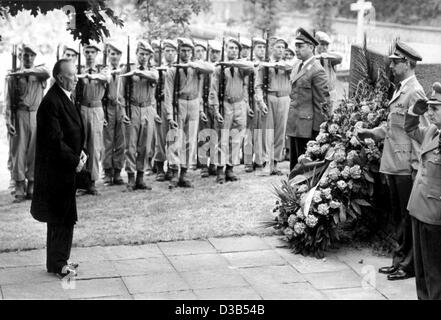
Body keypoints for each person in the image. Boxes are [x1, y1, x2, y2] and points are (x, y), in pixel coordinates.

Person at [358, 40, 427, 281]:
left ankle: (408, 266)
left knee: (406, 218)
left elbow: (421, 133)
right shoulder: (401, 90)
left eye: (395, 63)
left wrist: (416, 166)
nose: (391, 67)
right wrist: (369, 133)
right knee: (398, 216)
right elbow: (392, 128)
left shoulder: (415, 91)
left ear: (407, 64)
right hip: (393, 163)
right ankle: (399, 260)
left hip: (405, 166)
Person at [31, 59, 85, 278]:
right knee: (61, 218)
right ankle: (60, 264)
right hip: (56, 172)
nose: (77, 78)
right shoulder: (51, 102)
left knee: (62, 217)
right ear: (61, 77)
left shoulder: (64, 96)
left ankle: (57, 261)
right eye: (73, 74)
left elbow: (72, 131)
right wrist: (75, 160)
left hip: (64, 169)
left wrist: (80, 152)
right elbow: (55, 142)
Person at [405, 82, 441, 299]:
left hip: (435, 214)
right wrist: (413, 112)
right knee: (421, 272)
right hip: (418, 207)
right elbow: (410, 129)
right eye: (430, 107)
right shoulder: (432, 132)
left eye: (436, 108)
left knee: (435, 274)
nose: (431, 112)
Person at [164, 38, 214, 188]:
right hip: (179, 103)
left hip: (193, 103)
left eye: (188, 51)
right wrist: (169, 115)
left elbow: (210, 69)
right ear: (178, 52)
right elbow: (168, 94)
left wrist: (200, 109)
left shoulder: (196, 68)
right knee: (175, 138)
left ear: (192, 53)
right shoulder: (173, 70)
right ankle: (173, 171)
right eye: (183, 50)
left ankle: (183, 173)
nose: (185, 53)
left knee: (190, 139)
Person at [5, 44, 50, 202]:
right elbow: (8, 100)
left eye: (31, 56)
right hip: (21, 114)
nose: (29, 58)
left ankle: (32, 184)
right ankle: (19, 186)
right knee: (19, 151)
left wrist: (26, 71)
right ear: (20, 57)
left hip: (37, 114)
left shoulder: (39, 73)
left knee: (34, 151)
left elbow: (47, 72)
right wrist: (8, 120)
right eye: (25, 55)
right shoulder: (13, 76)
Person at [209, 38, 254, 183]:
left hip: (239, 104)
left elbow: (251, 70)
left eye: (236, 48)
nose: (233, 51)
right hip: (225, 105)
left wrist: (246, 105)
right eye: (231, 48)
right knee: (223, 138)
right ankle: (220, 170)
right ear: (226, 50)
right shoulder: (219, 69)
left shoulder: (242, 68)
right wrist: (215, 110)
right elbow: (213, 90)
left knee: (236, 138)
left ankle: (230, 168)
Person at [286, 28, 330, 171]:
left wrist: (319, 132)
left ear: (311, 47)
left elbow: (322, 103)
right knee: (294, 165)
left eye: (300, 46)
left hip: (307, 128)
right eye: (296, 46)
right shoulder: (297, 66)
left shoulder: (317, 70)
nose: (296, 49)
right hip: (295, 124)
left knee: (305, 169)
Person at [118, 40, 159, 191]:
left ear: (149, 56)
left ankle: (140, 178)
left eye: (146, 54)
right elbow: (120, 94)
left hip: (147, 109)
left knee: (145, 146)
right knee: (130, 145)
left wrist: (139, 72)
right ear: (136, 54)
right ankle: (130, 178)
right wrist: (123, 112)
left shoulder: (152, 71)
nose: (143, 57)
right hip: (132, 108)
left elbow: (155, 77)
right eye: (141, 54)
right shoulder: (127, 69)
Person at [255, 37, 293, 175]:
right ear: (271, 48)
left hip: (284, 98)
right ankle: (266, 163)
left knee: (280, 132)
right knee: (267, 131)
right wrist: (260, 101)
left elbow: (291, 68)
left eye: (283, 48)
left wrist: (275, 65)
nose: (281, 50)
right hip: (270, 97)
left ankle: (276, 163)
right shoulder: (263, 66)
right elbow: (258, 86)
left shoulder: (288, 65)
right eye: (278, 47)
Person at [77, 42, 110, 195]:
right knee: (79, 146)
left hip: (96, 109)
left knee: (94, 147)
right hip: (81, 108)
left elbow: (107, 78)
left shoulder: (103, 69)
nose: (89, 55)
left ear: (97, 54)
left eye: (92, 52)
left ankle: (92, 181)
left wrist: (90, 75)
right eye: (87, 52)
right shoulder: (78, 70)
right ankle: (80, 182)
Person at [153, 39, 178, 182]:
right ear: (163, 53)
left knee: (173, 137)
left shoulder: (178, 69)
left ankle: (172, 167)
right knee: (160, 138)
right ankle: (159, 167)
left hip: (174, 105)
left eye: (172, 51)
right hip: (161, 104)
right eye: (167, 51)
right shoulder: (157, 70)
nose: (169, 54)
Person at [102, 42, 125, 185]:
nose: (114, 56)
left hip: (121, 107)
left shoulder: (125, 71)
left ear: (121, 56)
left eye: (117, 54)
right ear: (108, 55)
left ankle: (117, 172)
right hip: (108, 107)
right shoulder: (105, 71)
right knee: (107, 141)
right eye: (112, 53)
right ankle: (107, 172)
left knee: (121, 141)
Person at [243, 37, 266, 173]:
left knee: (261, 131)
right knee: (249, 132)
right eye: (259, 47)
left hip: (262, 100)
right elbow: (245, 86)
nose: (261, 50)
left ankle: (259, 159)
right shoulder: (249, 65)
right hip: (251, 99)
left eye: (263, 47)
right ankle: (247, 161)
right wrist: (246, 104)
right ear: (253, 49)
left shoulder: (267, 65)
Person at [315, 31, 343, 110]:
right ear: (316, 45)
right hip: (317, 94)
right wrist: (319, 57)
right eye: (322, 44)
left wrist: (326, 55)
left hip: (330, 95)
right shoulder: (312, 57)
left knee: (329, 119)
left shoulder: (330, 58)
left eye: (327, 45)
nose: (325, 47)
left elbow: (340, 57)